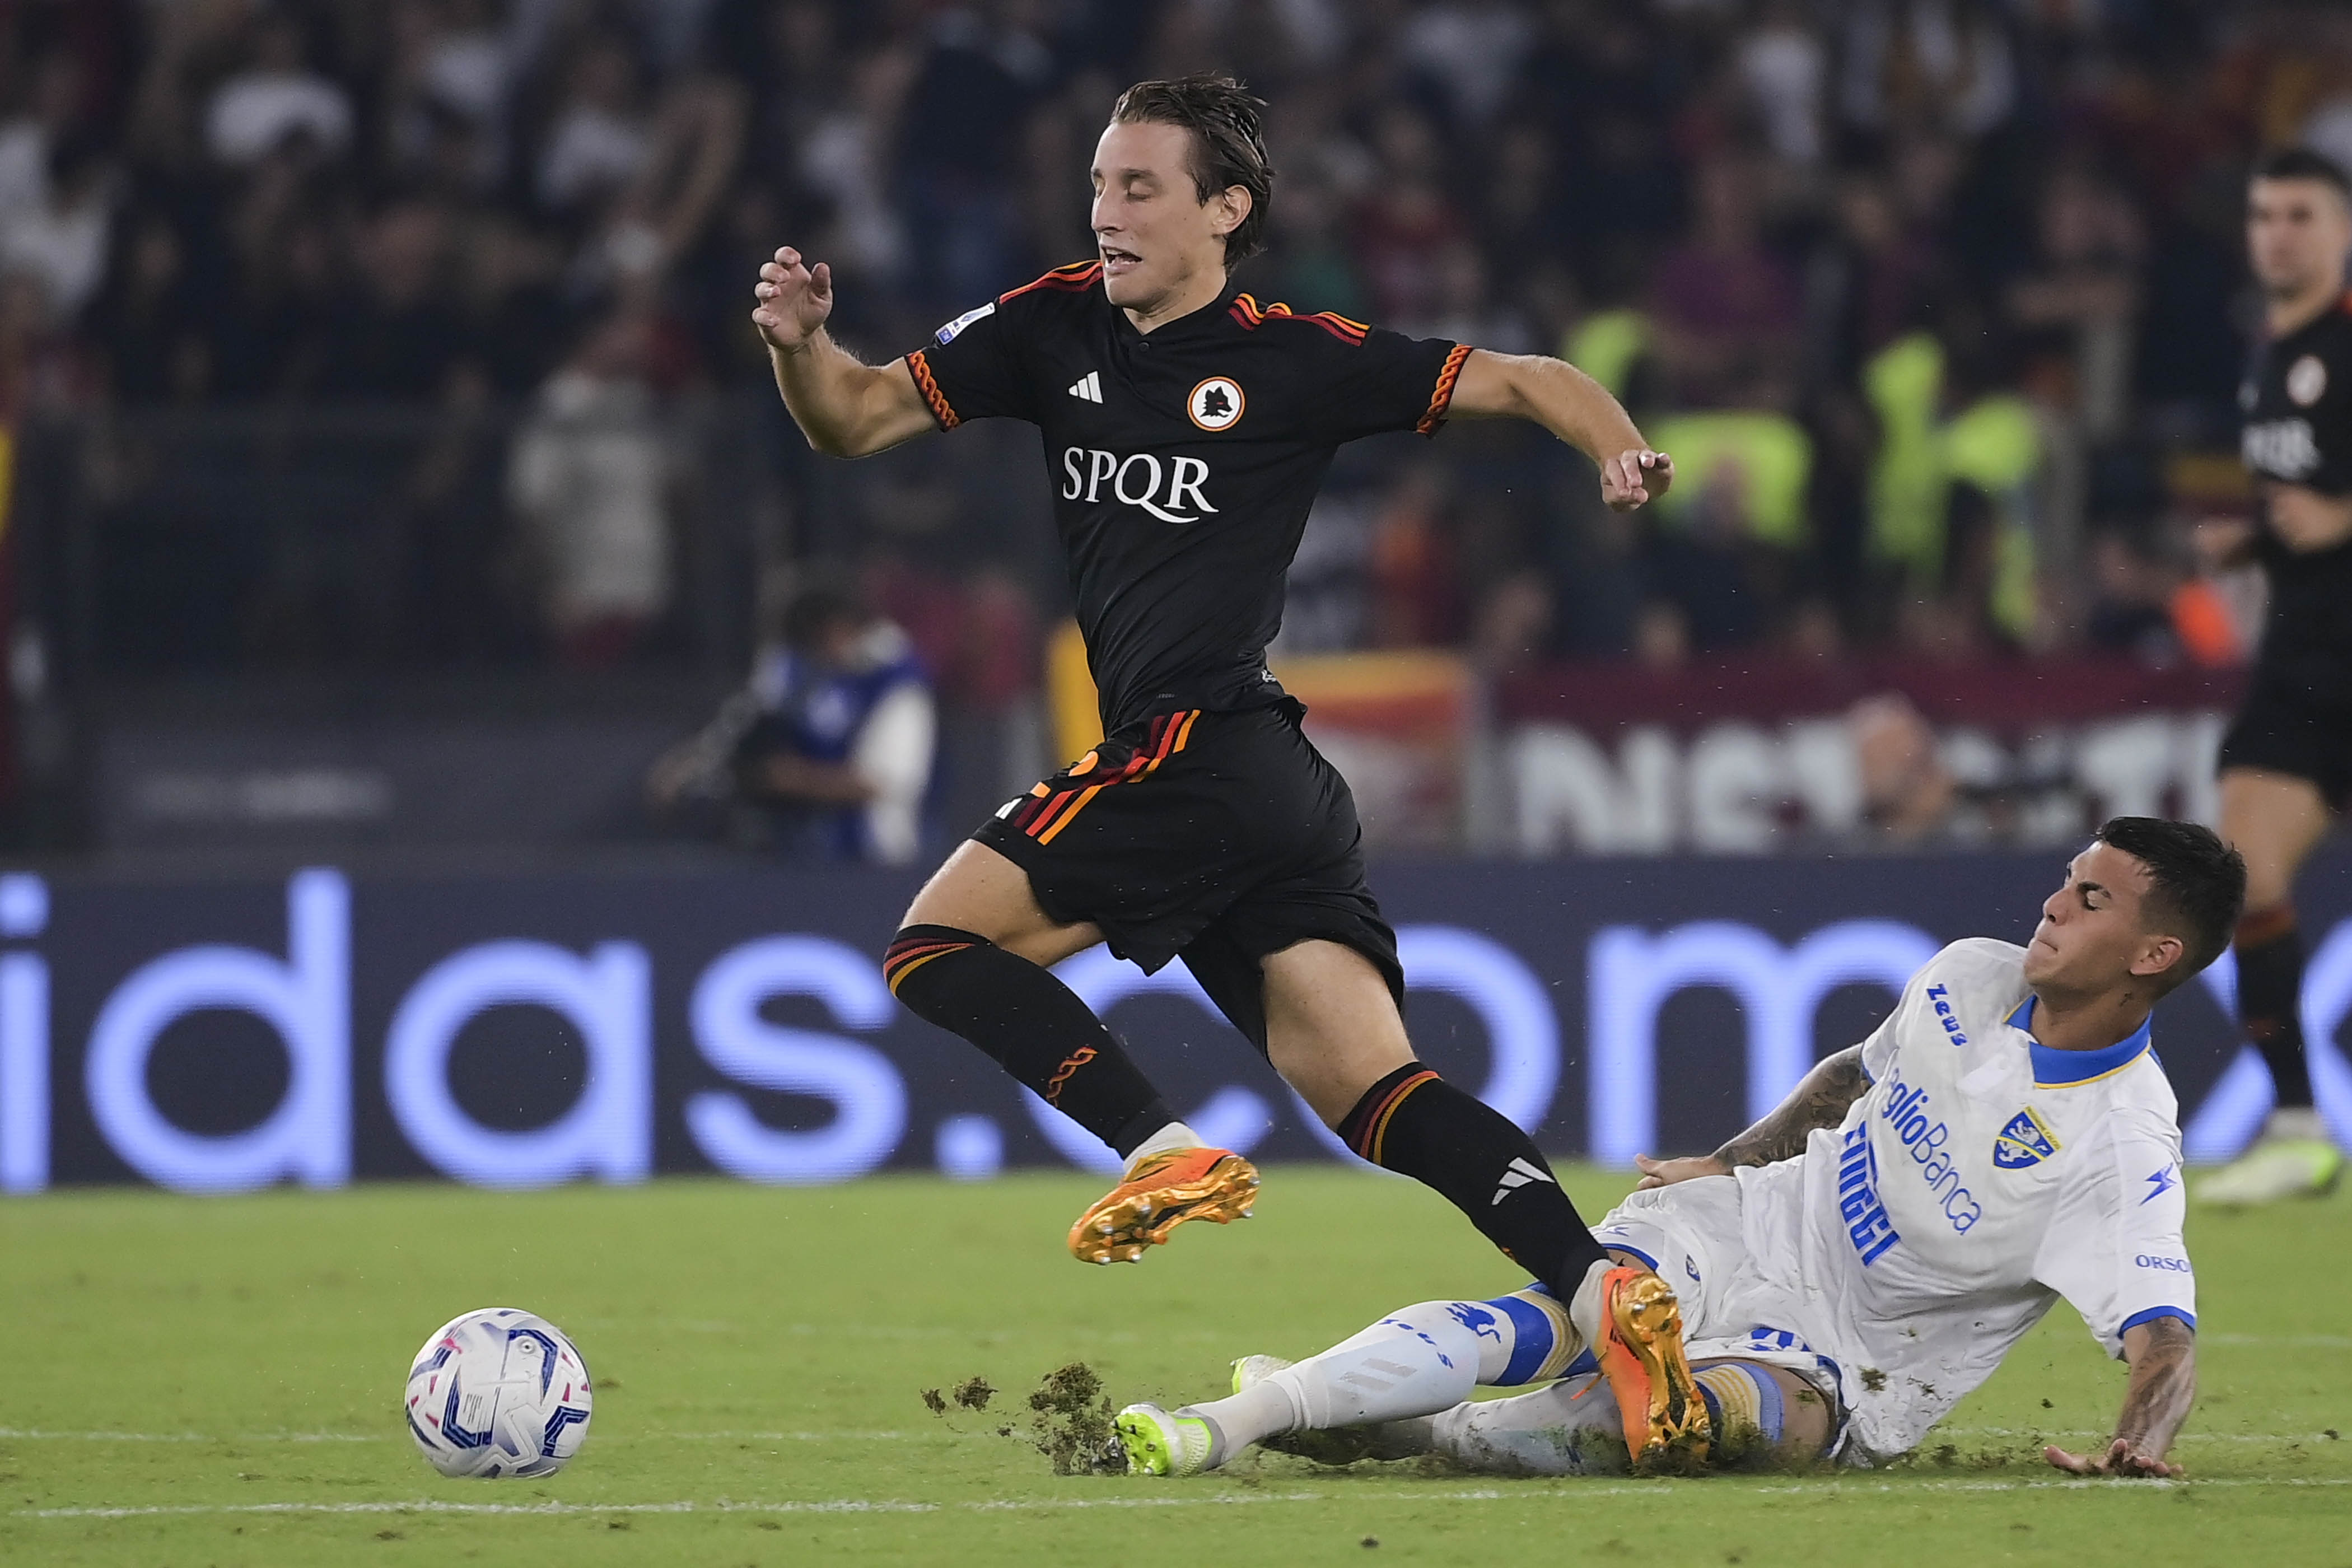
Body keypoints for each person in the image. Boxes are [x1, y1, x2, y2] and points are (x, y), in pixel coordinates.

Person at [749, 73, 1700, 1462]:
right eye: (1098, 185)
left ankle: (1159, 1148)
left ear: (1227, 209)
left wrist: (1615, 448)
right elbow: (856, 418)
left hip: (1194, 746)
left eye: (1140, 188)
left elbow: (1519, 378)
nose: (1107, 213)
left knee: (931, 947)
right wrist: (799, 345)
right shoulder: (1049, 324)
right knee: (1381, 1096)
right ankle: (1604, 1286)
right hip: (1264, 782)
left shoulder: (1296, 353)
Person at [1117, 818, 2241, 1480]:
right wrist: (1735, 1158)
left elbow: (2161, 1332)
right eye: (2066, 877)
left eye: (2089, 898)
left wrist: (2140, 1444)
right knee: (1551, 1317)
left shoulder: (2119, 1137)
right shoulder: (1970, 973)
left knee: (1695, 1425)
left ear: (2156, 949)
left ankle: (1403, 1421)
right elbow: (1855, 1071)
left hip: (1849, 1360)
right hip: (1749, 1223)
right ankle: (1236, 1422)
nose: (2052, 903)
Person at [2197, 147, 2352, 1206]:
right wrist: (2255, 544)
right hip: (2307, 649)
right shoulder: (2265, 358)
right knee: (2245, 864)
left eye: (2301, 213)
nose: (2279, 232)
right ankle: (2297, 1124)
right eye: (2263, 214)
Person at [646, 579, 934, 865]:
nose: (814, 658)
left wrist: (788, 779)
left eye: (817, 644)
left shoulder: (897, 683)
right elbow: (743, 723)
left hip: (872, 858)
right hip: (789, 853)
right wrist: (694, 763)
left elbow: (883, 784)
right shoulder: (793, 667)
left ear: (840, 628)